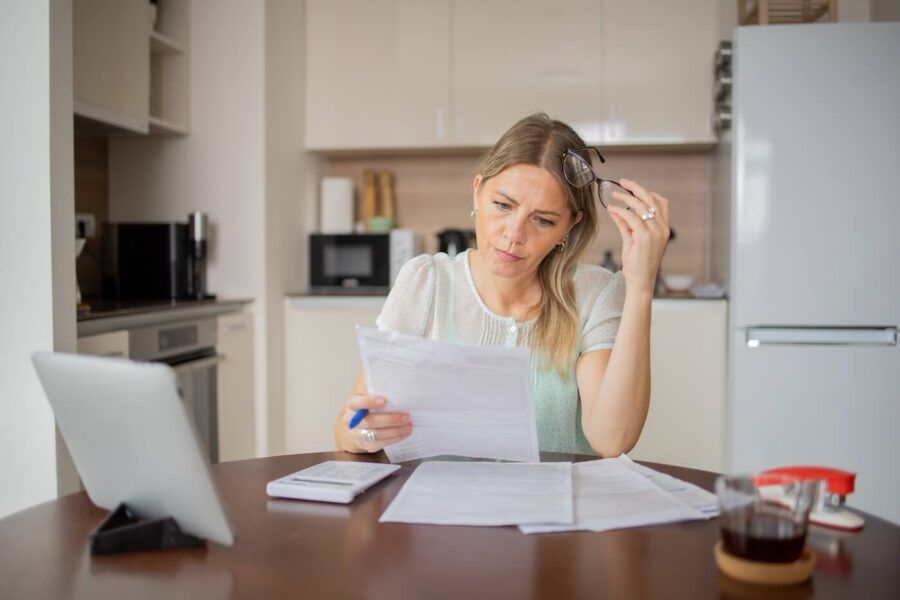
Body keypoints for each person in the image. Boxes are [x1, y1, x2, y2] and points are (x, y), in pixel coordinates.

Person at [333, 113, 671, 456]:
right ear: (477, 192)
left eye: (542, 220)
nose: (514, 235)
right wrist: (360, 433)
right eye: (503, 205)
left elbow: (612, 440)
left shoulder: (593, 293)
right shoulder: (425, 282)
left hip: (550, 506)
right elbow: (348, 429)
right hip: (440, 506)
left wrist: (641, 285)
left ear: (569, 225)